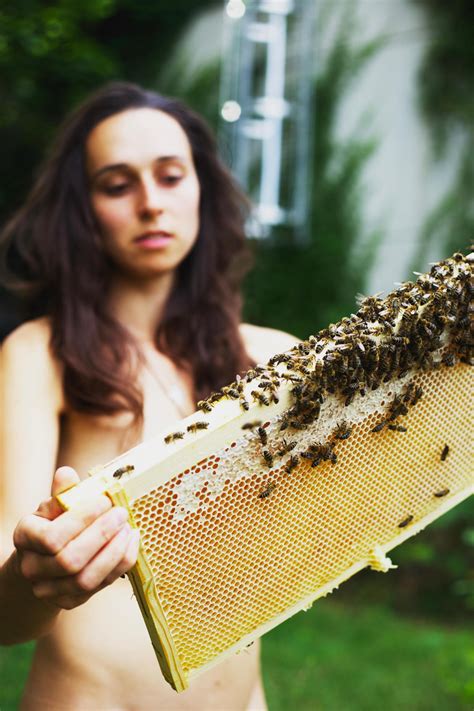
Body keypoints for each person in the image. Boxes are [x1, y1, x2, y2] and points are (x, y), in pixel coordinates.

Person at [0, 82, 298, 710]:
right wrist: (42, 575)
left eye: (170, 176)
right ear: (83, 211)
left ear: (202, 191)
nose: (150, 204)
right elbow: (6, 618)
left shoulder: (274, 360)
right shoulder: (39, 353)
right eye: (117, 184)